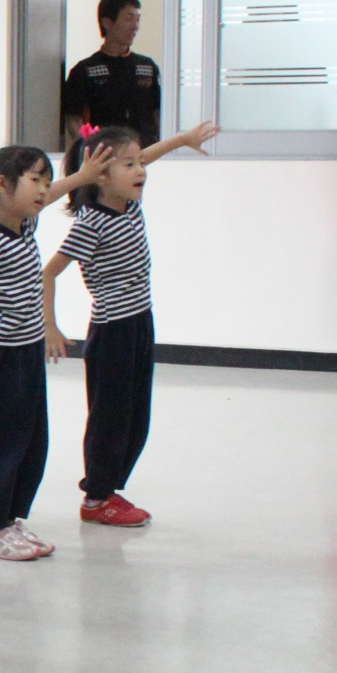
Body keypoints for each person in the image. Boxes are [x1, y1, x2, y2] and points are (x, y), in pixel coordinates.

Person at [43, 120, 218, 527]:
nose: (141, 170)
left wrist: (182, 140)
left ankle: (108, 490)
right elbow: (48, 272)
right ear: (101, 175)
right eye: (129, 165)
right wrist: (50, 325)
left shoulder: (130, 203)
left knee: (136, 416)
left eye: (141, 162)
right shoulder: (92, 222)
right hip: (113, 332)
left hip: (141, 322)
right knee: (110, 417)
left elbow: (144, 158)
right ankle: (96, 498)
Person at [0, 143, 110, 562]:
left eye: (47, 180)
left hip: (26, 352)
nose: (44, 189)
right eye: (35, 180)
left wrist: (82, 177)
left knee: (29, 441)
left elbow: (54, 192)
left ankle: (7, 519)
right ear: (3, 185)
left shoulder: (25, 224)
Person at [63, 0, 162, 147]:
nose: (135, 26)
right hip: (105, 151)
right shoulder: (85, 70)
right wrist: (87, 148)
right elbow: (73, 119)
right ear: (107, 22)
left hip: (145, 149)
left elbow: (158, 113)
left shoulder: (147, 66)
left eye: (137, 20)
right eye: (128, 19)